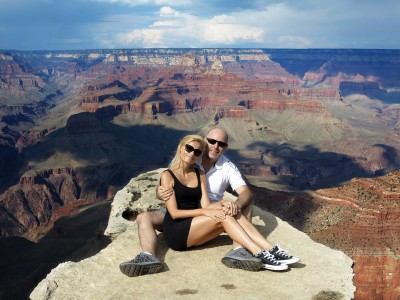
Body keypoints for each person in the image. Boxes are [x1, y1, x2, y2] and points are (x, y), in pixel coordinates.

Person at [119, 129, 299, 277]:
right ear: (204, 142)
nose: (215, 146)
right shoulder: (193, 156)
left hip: (202, 213)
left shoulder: (221, 168)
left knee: (235, 208)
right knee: (143, 217)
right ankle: (148, 256)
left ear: (225, 147)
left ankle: (255, 250)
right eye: (212, 141)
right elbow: (173, 186)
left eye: (221, 144)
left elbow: (245, 193)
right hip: (182, 214)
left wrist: (230, 204)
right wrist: (160, 192)